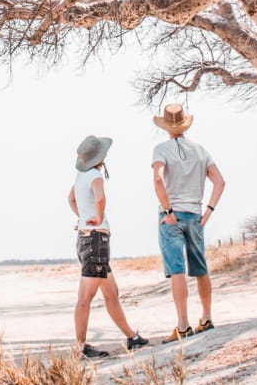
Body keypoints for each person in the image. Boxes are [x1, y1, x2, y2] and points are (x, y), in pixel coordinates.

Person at [69, 134, 150, 359]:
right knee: (85, 297)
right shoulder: (95, 175)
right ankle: (80, 347)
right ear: (100, 157)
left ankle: (132, 337)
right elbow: (100, 198)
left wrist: (83, 217)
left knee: (111, 293)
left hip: (87, 239)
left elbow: (71, 200)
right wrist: (97, 217)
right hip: (95, 240)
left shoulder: (79, 176)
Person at [150, 104, 225, 341]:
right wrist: (209, 211)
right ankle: (206, 317)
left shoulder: (161, 149)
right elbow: (220, 182)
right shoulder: (200, 150)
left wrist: (168, 210)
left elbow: (158, 180)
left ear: (166, 126)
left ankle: (183, 324)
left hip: (172, 216)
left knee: (177, 270)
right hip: (196, 215)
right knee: (200, 268)